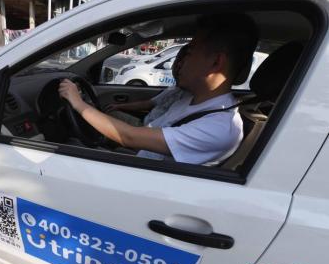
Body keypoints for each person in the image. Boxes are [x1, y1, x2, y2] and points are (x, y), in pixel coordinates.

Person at [59, 13, 258, 165]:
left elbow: (129, 136)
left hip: (144, 180)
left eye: (190, 52)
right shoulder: (191, 98)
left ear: (216, 62)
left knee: (65, 149)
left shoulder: (220, 127)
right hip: (143, 161)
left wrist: (78, 103)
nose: (180, 61)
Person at [105, 44, 189, 127]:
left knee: (108, 115)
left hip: (146, 132)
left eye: (184, 62)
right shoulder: (173, 89)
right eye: (177, 60)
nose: (178, 66)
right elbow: (148, 103)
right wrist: (119, 106)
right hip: (145, 122)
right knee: (110, 112)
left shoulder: (187, 99)